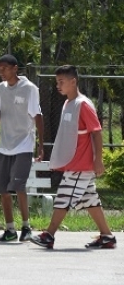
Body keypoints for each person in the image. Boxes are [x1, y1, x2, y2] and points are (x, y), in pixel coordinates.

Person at [30, 65, 116, 249]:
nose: (58, 85)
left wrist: (98, 160)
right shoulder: (68, 103)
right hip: (74, 163)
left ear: (73, 81)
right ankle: (107, 236)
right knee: (90, 199)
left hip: (82, 165)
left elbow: (97, 132)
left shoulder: (82, 104)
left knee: (63, 197)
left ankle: (49, 235)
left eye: (61, 82)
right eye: (56, 82)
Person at [0, 54, 45, 242]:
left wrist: (40, 146)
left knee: (18, 186)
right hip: (5, 146)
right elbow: (0, 111)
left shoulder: (29, 89)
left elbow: (38, 116)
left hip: (24, 144)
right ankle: (10, 230)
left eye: (4, 68)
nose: (1, 72)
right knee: (3, 189)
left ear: (15, 68)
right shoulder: (1, 88)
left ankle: (26, 227)